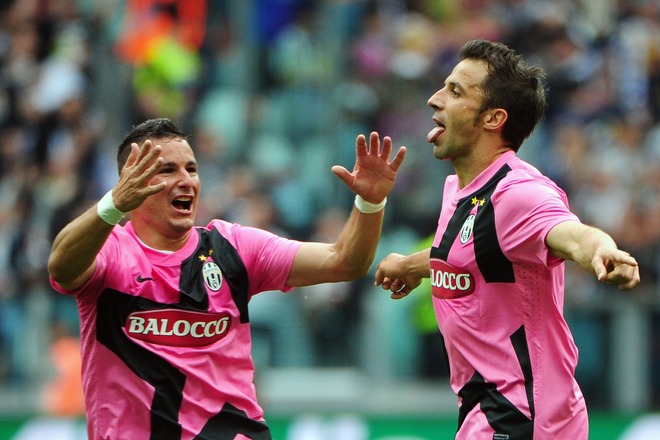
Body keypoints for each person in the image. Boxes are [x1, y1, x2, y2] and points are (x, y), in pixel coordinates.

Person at [47, 117, 406, 440]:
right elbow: (61, 266)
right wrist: (112, 205)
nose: (186, 180)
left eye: (192, 168)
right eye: (168, 170)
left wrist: (370, 204)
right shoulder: (109, 253)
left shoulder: (233, 248)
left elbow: (344, 262)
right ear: (131, 182)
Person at [374, 39, 640, 440]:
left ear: (493, 118)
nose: (434, 99)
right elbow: (474, 255)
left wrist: (602, 251)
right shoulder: (460, 191)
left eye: (455, 91)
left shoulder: (519, 193)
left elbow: (570, 234)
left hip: (525, 416)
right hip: (492, 411)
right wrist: (413, 266)